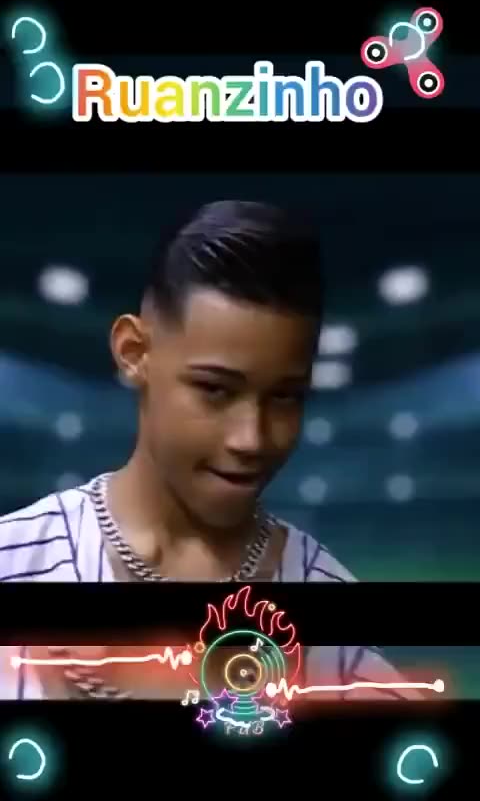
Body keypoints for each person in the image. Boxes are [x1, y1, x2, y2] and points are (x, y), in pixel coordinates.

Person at [0, 200, 422, 701]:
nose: (252, 439)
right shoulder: (14, 558)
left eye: (285, 397)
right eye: (215, 390)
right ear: (134, 353)